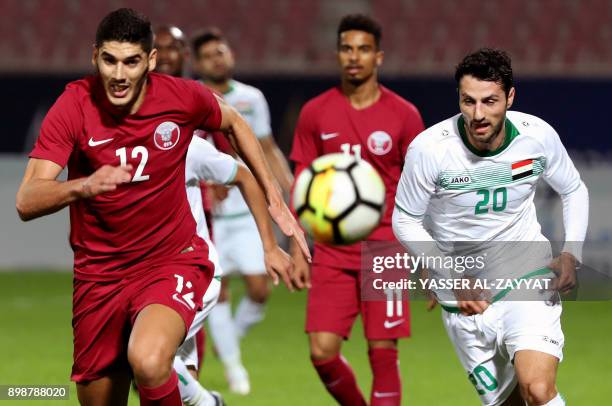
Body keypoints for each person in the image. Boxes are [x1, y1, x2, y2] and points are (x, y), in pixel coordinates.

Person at [15, 8, 307, 406]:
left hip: (171, 260)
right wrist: (83, 185)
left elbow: (235, 122)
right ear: (94, 56)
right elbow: (27, 200)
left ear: (150, 61)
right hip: (98, 277)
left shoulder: (180, 97)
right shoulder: (74, 105)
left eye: (132, 62)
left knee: (149, 362)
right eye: (110, 60)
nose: (119, 75)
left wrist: (276, 201)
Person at [392, 48, 588, 406]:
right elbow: (404, 218)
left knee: (538, 390)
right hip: (463, 298)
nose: (478, 114)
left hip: (525, 274)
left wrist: (571, 252)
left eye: (490, 101)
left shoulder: (537, 137)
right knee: (510, 402)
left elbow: (573, 188)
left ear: (510, 97)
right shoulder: (430, 150)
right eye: (468, 101)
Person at [289, 14, 425, 406]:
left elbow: (422, 187)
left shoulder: (404, 115)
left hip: (385, 246)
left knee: (383, 354)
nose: (354, 57)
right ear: (337, 55)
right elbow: (303, 183)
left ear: (378, 57)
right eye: (347, 48)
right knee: (322, 352)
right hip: (332, 249)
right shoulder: (315, 112)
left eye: (363, 49)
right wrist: (299, 245)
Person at [191, 28, 294, 395]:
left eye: (221, 51)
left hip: (249, 214)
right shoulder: (195, 100)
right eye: (208, 56)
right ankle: (235, 370)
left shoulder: (252, 98)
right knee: (217, 292)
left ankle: (228, 339)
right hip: (210, 217)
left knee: (260, 289)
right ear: (197, 64)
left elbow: (267, 147)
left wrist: (288, 186)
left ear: (230, 54)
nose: (217, 59)